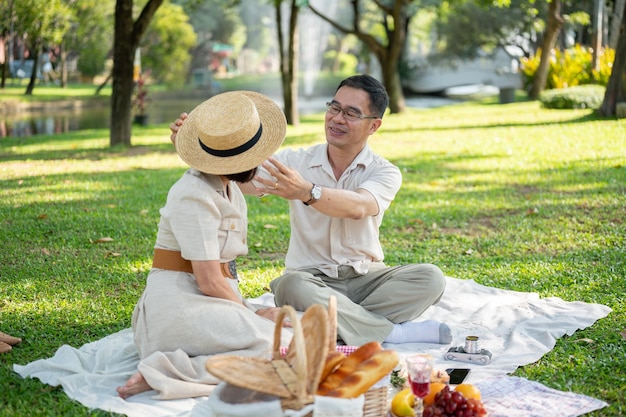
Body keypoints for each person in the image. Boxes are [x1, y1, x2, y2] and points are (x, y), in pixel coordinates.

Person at [170, 75, 450, 348]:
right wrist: (199, 149)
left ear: (373, 125)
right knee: (289, 285)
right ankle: (390, 333)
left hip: (366, 279)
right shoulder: (295, 162)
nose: (337, 118)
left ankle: (329, 323)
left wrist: (307, 192)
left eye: (351, 113)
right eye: (334, 107)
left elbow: (359, 207)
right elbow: (238, 176)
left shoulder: (384, 171)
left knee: (430, 278)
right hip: (310, 281)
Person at [117, 91, 292, 400]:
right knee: (279, 348)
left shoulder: (226, 182)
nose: (262, 160)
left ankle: (187, 362)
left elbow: (261, 184)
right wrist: (252, 313)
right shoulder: (193, 194)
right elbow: (209, 280)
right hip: (180, 306)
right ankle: (166, 370)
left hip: (212, 301)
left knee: (293, 337)